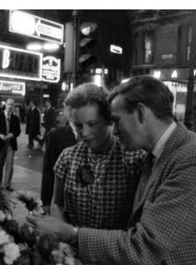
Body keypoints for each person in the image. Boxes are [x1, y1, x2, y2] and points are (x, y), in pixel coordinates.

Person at [28, 76, 196, 265]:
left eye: (116, 120)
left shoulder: (194, 157)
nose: (115, 130)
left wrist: (70, 233)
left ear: (141, 113)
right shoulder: (159, 154)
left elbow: (146, 245)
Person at [49, 83, 146, 231]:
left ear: (108, 119)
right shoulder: (67, 157)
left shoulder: (134, 158)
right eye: (78, 126)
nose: (85, 132)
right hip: (73, 249)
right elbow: (57, 204)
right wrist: (62, 237)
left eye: (92, 124)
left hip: (116, 249)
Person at [40, 120, 78, 210]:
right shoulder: (55, 135)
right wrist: (46, 202)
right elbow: (48, 170)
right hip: (63, 202)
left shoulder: (96, 135)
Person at [0, 98, 21, 191]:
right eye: (8, 104)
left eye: (12, 105)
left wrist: (12, 134)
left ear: (13, 107)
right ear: (5, 105)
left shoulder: (15, 118)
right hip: (0, 144)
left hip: (11, 145)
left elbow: (18, 131)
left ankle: (7, 184)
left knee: (10, 164)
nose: (10, 107)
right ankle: (0, 179)